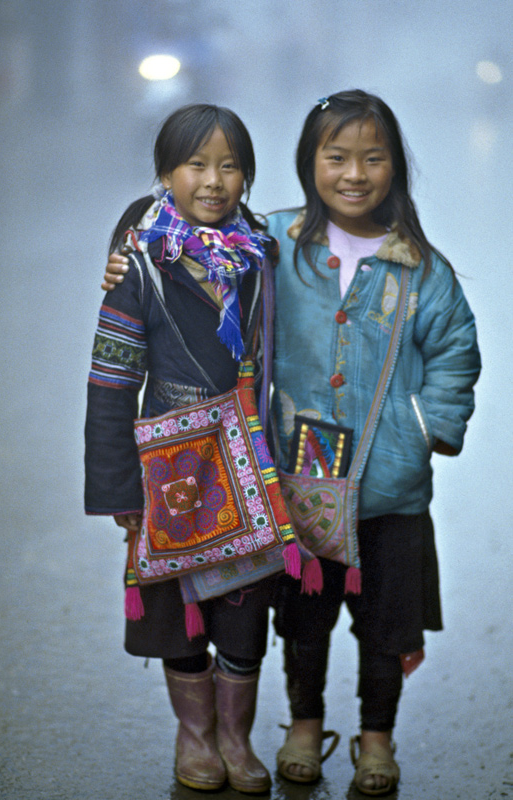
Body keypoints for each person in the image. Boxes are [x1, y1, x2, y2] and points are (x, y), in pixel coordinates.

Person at [102, 90, 481, 796]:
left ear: (395, 167)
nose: (354, 174)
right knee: (303, 618)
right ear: (309, 165)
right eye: (336, 157)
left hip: (389, 484)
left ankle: (376, 739)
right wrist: (124, 251)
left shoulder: (420, 269)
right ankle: (302, 727)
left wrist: (429, 428)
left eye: (373, 158)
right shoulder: (273, 242)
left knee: (384, 621)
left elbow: (456, 350)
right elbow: (182, 222)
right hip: (295, 481)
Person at [85, 103, 279, 795]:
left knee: (245, 605)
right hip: (169, 468)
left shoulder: (261, 255)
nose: (213, 181)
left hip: (248, 459)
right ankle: (195, 736)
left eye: (230, 166)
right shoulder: (140, 263)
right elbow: (111, 379)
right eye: (196, 164)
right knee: (177, 611)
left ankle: (235, 737)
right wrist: (117, 488)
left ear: (247, 177)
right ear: (165, 174)